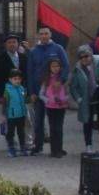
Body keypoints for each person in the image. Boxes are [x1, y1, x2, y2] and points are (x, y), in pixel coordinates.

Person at [27, 25, 70, 155]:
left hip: (54, 92)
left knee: (55, 122)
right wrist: (32, 92)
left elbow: (66, 66)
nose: (44, 36)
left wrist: (60, 81)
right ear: (38, 36)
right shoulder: (34, 51)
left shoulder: (58, 48)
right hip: (39, 90)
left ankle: (57, 147)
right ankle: (38, 145)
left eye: (46, 33)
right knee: (38, 120)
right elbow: (30, 72)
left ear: (50, 35)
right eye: (41, 34)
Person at [70, 44, 99, 152]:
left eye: (86, 56)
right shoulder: (77, 69)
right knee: (87, 123)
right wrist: (79, 99)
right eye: (81, 57)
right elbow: (73, 87)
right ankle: (88, 145)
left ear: (91, 55)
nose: (84, 59)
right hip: (86, 101)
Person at [40, 56, 71, 158]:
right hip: (51, 107)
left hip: (61, 106)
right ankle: (54, 150)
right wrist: (48, 100)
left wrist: (64, 99)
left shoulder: (63, 79)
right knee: (53, 128)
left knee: (59, 128)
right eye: (53, 66)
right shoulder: (47, 79)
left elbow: (67, 93)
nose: (55, 68)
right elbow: (41, 94)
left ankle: (59, 148)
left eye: (57, 66)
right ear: (49, 67)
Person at [0, 33, 26, 106]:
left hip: (22, 93)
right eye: (9, 42)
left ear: (18, 44)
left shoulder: (24, 57)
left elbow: (27, 76)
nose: (12, 44)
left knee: (23, 115)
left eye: (14, 42)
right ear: (5, 45)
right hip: (6, 94)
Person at [2, 69, 29, 156]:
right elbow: (5, 103)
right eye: (15, 79)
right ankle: (11, 149)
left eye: (19, 79)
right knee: (10, 133)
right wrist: (4, 115)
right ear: (10, 79)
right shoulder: (8, 90)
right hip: (11, 116)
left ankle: (23, 148)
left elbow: (24, 100)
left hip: (21, 115)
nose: (17, 81)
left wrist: (30, 99)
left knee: (21, 132)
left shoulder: (22, 89)